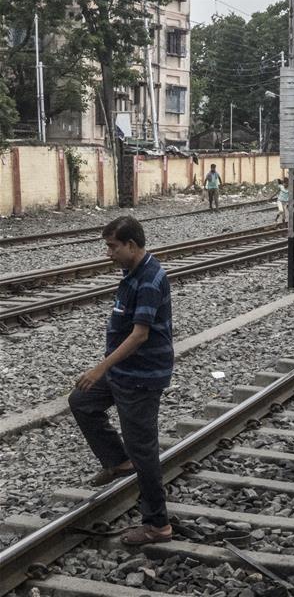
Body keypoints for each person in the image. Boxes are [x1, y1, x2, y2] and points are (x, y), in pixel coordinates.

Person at [68, 216, 173, 546]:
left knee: (144, 452)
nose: (108, 253)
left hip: (141, 377)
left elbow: (140, 335)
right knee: (82, 401)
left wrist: (99, 369)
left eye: (113, 247)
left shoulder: (149, 280)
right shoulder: (133, 272)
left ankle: (157, 525)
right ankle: (118, 461)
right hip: (124, 372)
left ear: (131, 245)